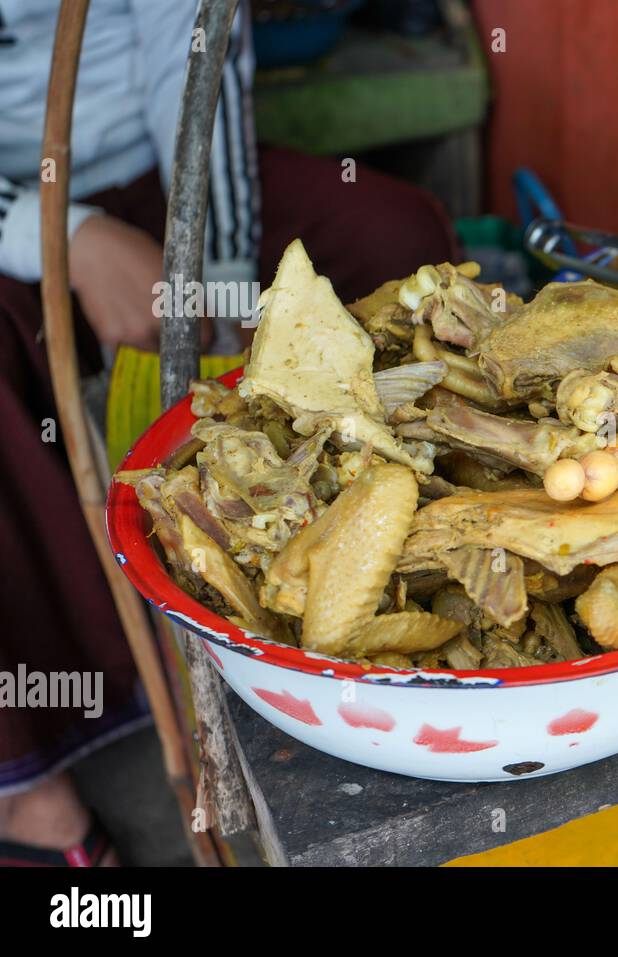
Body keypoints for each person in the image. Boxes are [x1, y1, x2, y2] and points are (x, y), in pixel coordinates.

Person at [0, 0, 459, 865]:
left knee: (395, 242)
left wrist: (210, 283)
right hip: (15, 208)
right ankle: (27, 787)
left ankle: (393, 594)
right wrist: (71, 237)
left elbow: (192, 53)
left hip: (161, 159)